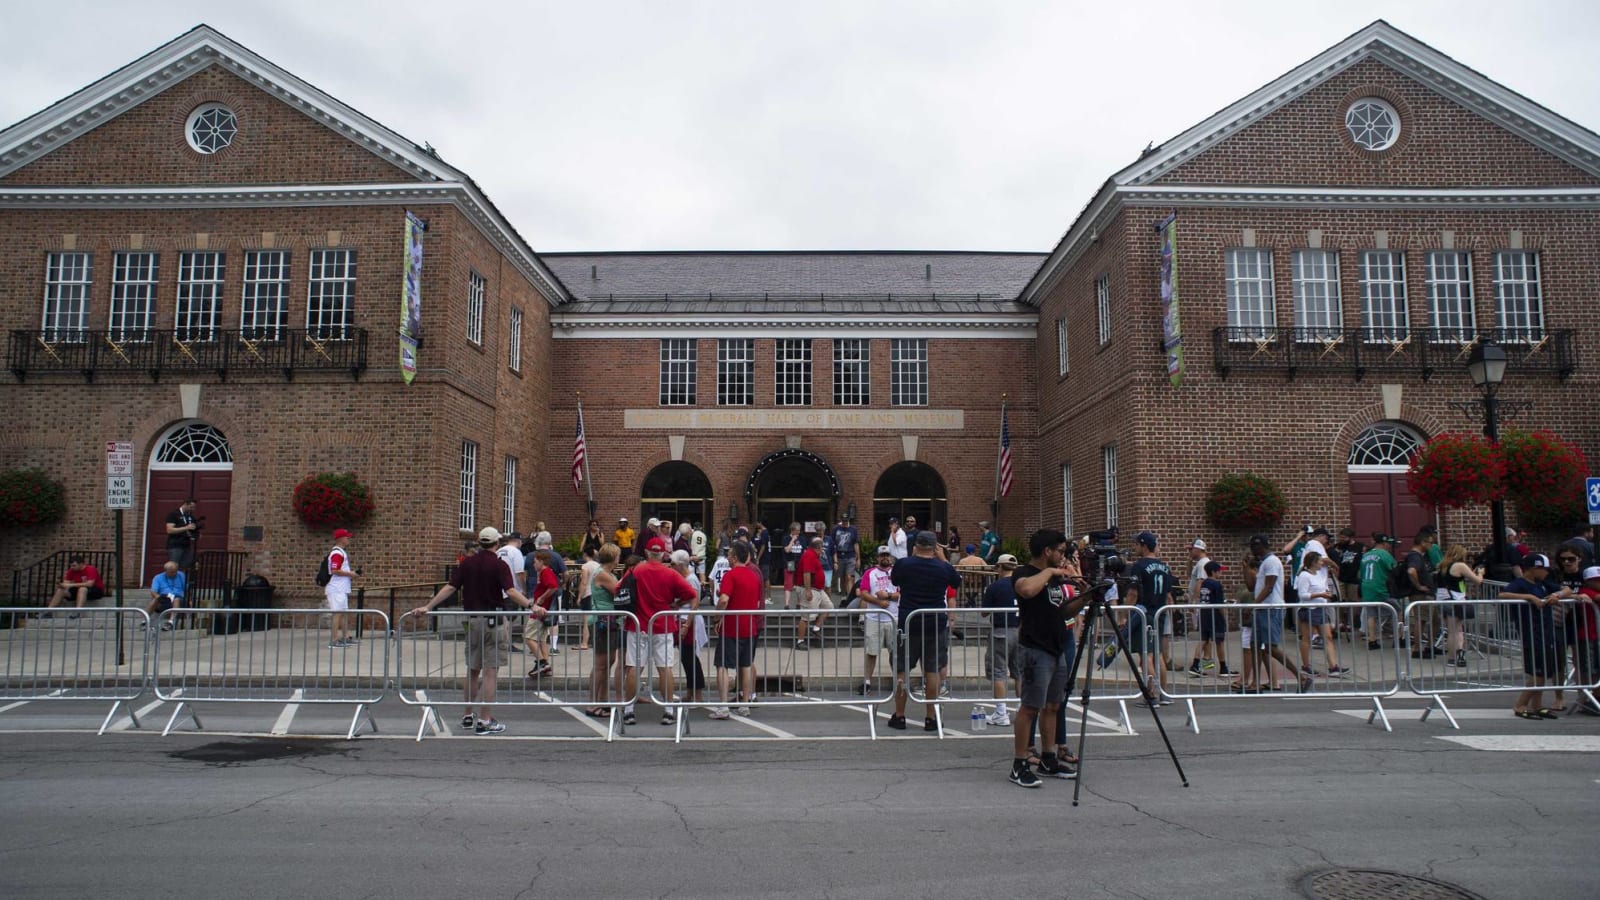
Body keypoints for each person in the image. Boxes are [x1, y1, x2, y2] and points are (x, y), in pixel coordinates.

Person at [406, 526, 541, 735]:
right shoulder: (499, 564)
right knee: (490, 672)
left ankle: (468, 715)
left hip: (471, 620)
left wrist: (428, 606)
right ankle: (485, 719)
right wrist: (531, 606)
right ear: (497, 543)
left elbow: (450, 587)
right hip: (493, 620)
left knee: (472, 669)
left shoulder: (467, 563)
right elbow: (511, 591)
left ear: (480, 542)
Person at [1008, 529, 1093, 787]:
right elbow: (1027, 591)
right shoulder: (1024, 573)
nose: (1063, 556)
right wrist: (1051, 573)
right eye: (1060, 551)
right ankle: (1020, 762)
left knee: (1053, 705)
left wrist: (1087, 597)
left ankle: (1049, 756)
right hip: (1035, 648)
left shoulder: (1054, 578)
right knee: (1030, 706)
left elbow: (1062, 610)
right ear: (1047, 552)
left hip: (1057, 647)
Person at [621, 536, 699, 726]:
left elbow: (619, 590)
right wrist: (676, 604)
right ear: (663, 553)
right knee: (665, 668)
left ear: (646, 553)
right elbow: (692, 595)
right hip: (662, 626)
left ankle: (629, 710)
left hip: (638, 624)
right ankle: (668, 710)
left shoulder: (635, 571)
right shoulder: (670, 574)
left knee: (634, 666)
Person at [888, 531, 961, 732]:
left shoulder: (904, 564)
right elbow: (956, 581)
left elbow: (895, 581)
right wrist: (944, 559)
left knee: (902, 668)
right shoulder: (942, 567)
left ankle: (900, 715)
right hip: (935, 623)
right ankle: (931, 716)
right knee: (932, 669)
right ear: (935, 546)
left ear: (916, 545)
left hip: (908, 622)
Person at [1502, 554, 1571, 720]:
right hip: (1531, 632)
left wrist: (1558, 595)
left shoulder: (1543, 584)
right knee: (1538, 671)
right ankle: (1520, 704)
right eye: (1544, 569)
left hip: (1547, 631)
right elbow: (1502, 595)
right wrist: (1529, 597)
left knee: (1546, 670)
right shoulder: (1519, 584)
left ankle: (1537, 705)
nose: (1547, 573)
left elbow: (1567, 590)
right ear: (1534, 569)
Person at [710, 541, 763, 719]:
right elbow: (756, 603)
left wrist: (717, 617)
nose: (727, 557)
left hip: (732, 626)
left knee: (723, 665)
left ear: (734, 557)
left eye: (729, 555)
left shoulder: (731, 575)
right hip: (749, 626)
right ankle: (744, 703)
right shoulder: (754, 576)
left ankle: (724, 706)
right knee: (746, 664)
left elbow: (724, 599)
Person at [1124, 530, 1174, 704]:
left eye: (1137, 544)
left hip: (1145, 613)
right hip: (1161, 612)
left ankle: (1151, 694)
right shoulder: (1165, 567)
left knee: (1145, 654)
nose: (1135, 547)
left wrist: (1125, 614)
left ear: (1144, 546)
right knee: (1158, 654)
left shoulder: (1139, 566)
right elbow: (1169, 595)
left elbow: (1132, 592)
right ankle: (1165, 693)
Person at [1247, 533, 1298, 692]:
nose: (1251, 549)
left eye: (1254, 546)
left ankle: (1300, 676)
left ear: (1261, 546)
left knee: (1270, 647)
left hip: (1271, 609)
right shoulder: (1263, 563)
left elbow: (1269, 587)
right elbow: (1252, 586)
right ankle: (1255, 682)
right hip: (1262, 608)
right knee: (1254, 645)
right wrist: (1246, 567)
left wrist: (1253, 605)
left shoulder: (1272, 562)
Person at [583, 543, 623, 718]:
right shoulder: (604, 575)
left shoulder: (606, 574)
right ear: (614, 557)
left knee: (607, 661)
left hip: (609, 621)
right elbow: (619, 593)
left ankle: (602, 698)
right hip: (602, 622)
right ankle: (593, 703)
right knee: (601, 663)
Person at [982, 553, 1021, 726]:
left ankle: (1001, 712)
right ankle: (1023, 709)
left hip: (1001, 630)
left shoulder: (995, 587)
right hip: (1021, 630)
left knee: (999, 671)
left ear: (1000, 567)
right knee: (1020, 672)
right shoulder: (1022, 585)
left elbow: (984, 612)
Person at [1293, 551, 1346, 680]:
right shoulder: (1304, 575)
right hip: (1309, 609)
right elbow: (1303, 595)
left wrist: (1325, 593)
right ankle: (1306, 665)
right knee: (1307, 637)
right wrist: (1320, 595)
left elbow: (1323, 587)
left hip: (1321, 608)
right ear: (1313, 562)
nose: (1322, 563)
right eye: (1319, 561)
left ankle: (1333, 666)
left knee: (1328, 636)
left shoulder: (1320, 574)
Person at [855, 546, 900, 696]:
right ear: (877, 558)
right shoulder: (870, 573)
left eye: (887, 555)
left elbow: (903, 591)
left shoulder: (897, 572)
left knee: (896, 652)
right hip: (875, 618)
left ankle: (898, 681)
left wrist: (887, 596)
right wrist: (878, 602)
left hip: (894, 617)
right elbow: (864, 593)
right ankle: (867, 681)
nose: (885, 558)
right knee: (871, 651)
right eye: (882, 555)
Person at [1435, 543, 1485, 669]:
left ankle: (1452, 658)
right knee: (1457, 631)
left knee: (1451, 630)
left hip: (1442, 599)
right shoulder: (1460, 565)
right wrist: (1481, 573)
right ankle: (1456, 657)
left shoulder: (1442, 565)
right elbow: (1477, 581)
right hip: (1455, 600)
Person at [670, 549, 708, 711]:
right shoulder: (685, 578)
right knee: (686, 658)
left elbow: (694, 601)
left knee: (691, 658)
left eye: (672, 564)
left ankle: (697, 696)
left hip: (689, 621)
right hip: (683, 619)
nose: (671, 567)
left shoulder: (691, 579)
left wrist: (686, 625)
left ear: (680, 564)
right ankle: (690, 693)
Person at [1188, 560, 1232, 678]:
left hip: (1204, 614)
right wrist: (1225, 617)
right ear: (1213, 572)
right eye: (1219, 571)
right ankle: (1223, 667)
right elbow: (1219, 604)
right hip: (1215, 617)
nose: (1220, 574)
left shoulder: (1204, 583)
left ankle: (1195, 664)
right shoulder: (1217, 585)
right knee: (1219, 641)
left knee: (1203, 640)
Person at [1359, 534, 1400, 650]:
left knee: (1371, 614)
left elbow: (1360, 573)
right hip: (1381, 587)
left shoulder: (1366, 555)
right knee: (1398, 611)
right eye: (1388, 543)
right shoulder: (1384, 554)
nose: (1389, 546)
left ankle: (1372, 640)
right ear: (1384, 543)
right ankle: (1399, 637)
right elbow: (1394, 569)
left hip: (1367, 586)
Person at [525, 550, 561, 677]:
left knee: (529, 637)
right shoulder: (546, 572)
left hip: (540, 611)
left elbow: (553, 586)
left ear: (541, 561)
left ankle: (542, 662)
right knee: (541, 640)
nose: (533, 565)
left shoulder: (546, 572)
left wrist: (542, 598)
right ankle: (546, 666)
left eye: (535, 562)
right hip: (543, 611)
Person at [1404, 530, 1438, 659]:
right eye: (1430, 542)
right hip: (1420, 594)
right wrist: (1419, 586)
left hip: (1426, 593)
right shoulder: (1415, 556)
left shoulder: (1420, 556)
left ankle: (1430, 646)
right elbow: (1411, 571)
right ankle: (1417, 649)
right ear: (1422, 542)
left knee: (1435, 620)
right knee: (1421, 620)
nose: (1431, 545)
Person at [793, 536, 833, 648]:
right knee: (806, 617)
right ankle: (800, 641)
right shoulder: (809, 555)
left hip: (819, 590)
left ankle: (816, 628)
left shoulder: (814, 555)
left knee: (828, 607)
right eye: (822, 548)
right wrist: (808, 590)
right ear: (818, 547)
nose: (823, 550)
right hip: (811, 589)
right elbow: (806, 573)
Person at [324, 528, 359, 649]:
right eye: (347, 537)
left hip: (341, 589)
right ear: (341, 539)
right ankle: (334, 640)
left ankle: (345, 637)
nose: (348, 539)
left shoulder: (341, 552)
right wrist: (351, 574)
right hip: (336, 588)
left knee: (343, 613)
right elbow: (335, 570)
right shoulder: (337, 553)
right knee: (337, 613)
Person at [1331, 528, 1365, 631]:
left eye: (1344, 538)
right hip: (1341, 577)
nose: (1342, 539)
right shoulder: (1338, 547)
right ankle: (1342, 623)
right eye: (1341, 537)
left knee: (1353, 601)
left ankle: (1351, 623)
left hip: (1354, 578)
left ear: (1351, 537)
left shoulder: (1360, 547)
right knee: (1341, 600)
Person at [144, 560, 186, 631]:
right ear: (166, 571)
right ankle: (145, 620)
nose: (174, 573)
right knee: (155, 599)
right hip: (164, 598)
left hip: (178, 598)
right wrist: (158, 597)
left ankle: (171, 622)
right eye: (172, 572)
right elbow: (153, 591)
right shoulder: (158, 577)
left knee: (177, 599)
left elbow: (186, 588)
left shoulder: (181, 575)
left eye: (175, 571)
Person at [164, 498, 201, 571]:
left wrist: (195, 534)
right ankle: (172, 582)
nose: (192, 509)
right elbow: (169, 530)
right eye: (191, 507)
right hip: (175, 545)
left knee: (187, 566)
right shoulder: (173, 514)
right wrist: (186, 528)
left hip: (186, 545)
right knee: (174, 567)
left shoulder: (190, 517)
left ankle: (183, 581)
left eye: (194, 507)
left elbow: (191, 530)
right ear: (185, 504)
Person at [576, 545, 601, 650]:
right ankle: (595, 641)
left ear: (585, 554)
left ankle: (584, 642)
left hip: (588, 593)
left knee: (586, 619)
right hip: (597, 593)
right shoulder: (598, 565)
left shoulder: (585, 566)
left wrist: (579, 596)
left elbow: (584, 582)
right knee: (596, 618)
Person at [831, 516, 860, 597]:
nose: (845, 523)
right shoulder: (836, 529)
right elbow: (833, 545)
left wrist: (858, 559)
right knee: (842, 577)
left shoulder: (853, 529)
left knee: (849, 576)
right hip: (840, 556)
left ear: (848, 521)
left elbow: (856, 544)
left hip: (850, 555)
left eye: (846, 521)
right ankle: (844, 595)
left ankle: (850, 596)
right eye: (843, 521)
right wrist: (835, 560)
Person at [780, 522, 805, 608]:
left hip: (799, 563)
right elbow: (787, 550)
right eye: (797, 530)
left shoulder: (802, 539)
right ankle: (787, 604)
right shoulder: (786, 538)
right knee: (788, 583)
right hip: (789, 562)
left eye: (799, 530)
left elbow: (804, 551)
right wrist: (792, 540)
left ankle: (798, 603)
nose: (798, 532)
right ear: (792, 530)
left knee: (799, 584)